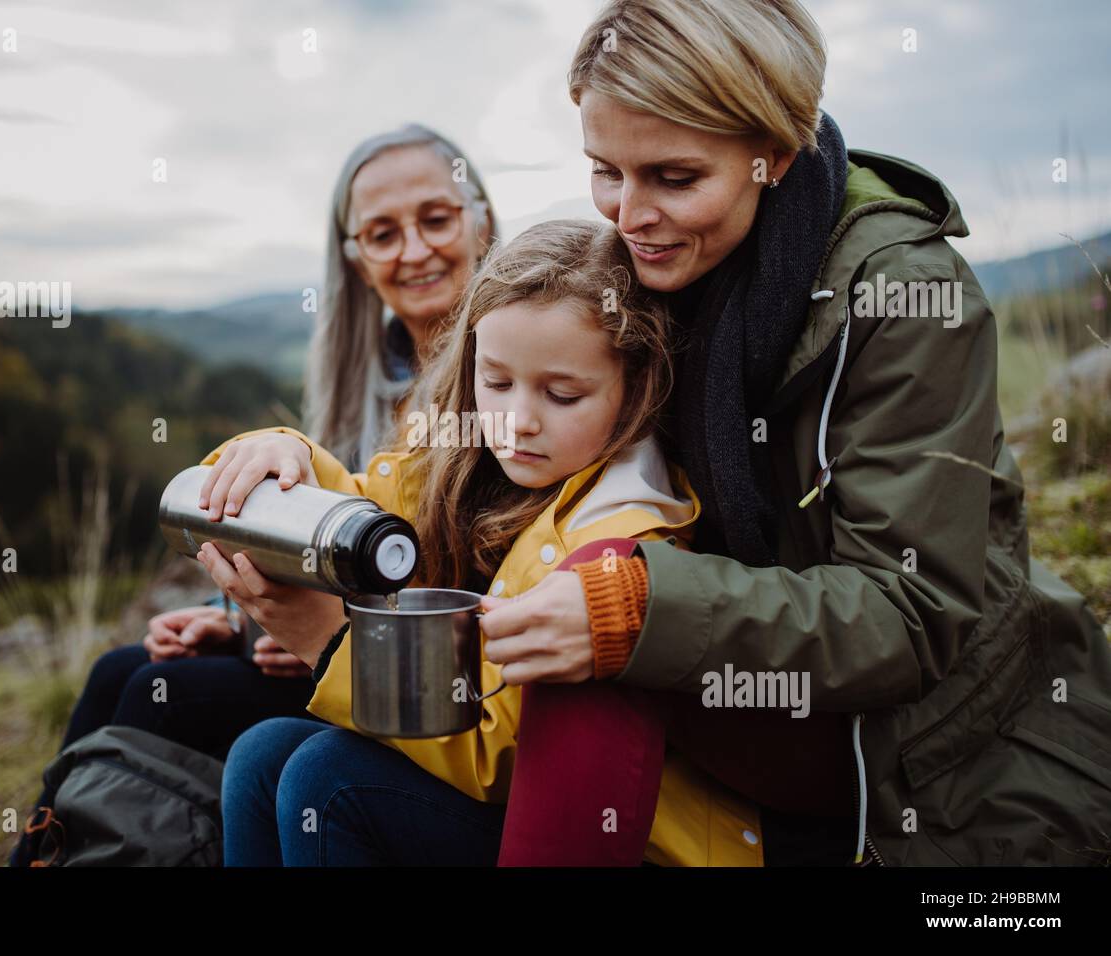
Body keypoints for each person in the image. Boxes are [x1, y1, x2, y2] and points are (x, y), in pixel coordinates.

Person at [198, 0, 1111, 867]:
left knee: (591, 667)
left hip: (907, 739)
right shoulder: (660, 262)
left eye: (673, 178)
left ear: (776, 152)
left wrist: (634, 609)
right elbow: (462, 473)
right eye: (606, 170)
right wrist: (302, 477)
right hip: (718, 672)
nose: (630, 215)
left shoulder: (907, 302)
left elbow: (910, 615)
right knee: (290, 759)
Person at [201, 219, 765, 865]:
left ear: (636, 389)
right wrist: (280, 453)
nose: (517, 421)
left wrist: (328, 641)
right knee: (263, 754)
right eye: (495, 382)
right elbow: (358, 508)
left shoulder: (626, 533)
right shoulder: (470, 463)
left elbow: (503, 755)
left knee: (327, 781)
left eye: (561, 394)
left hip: (623, 842)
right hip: (483, 792)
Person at [8, 123, 496, 866]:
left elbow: (452, 572)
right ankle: (41, 858)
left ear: (482, 219)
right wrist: (230, 618)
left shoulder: (511, 373)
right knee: (124, 669)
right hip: (317, 654)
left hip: (403, 678)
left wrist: (319, 632)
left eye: (436, 219)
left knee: (159, 699)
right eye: (382, 233)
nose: (414, 250)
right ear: (355, 258)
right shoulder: (366, 377)